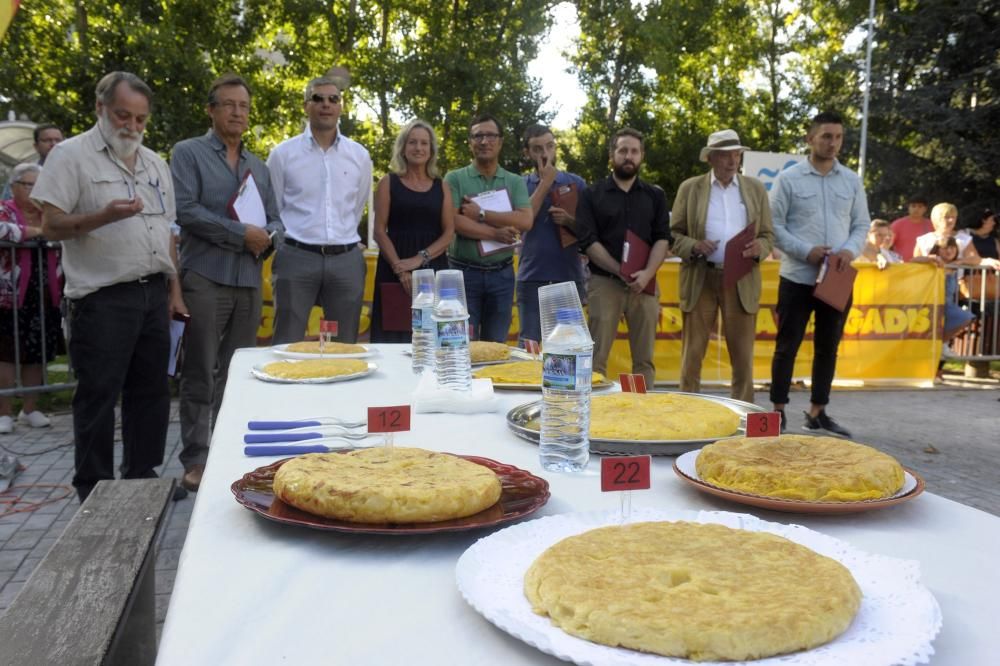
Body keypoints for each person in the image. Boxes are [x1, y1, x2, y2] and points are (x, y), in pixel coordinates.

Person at [31, 71, 186, 502]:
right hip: (102, 299)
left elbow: (168, 232)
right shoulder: (70, 156)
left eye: (140, 119)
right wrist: (103, 216)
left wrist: (174, 292)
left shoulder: (156, 163)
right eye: (123, 116)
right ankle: (94, 490)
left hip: (154, 293)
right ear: (100, 109)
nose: (132, 127)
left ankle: (141, 477)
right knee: (98, 396)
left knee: (152, 391)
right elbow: (50, 225)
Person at [171, 73, 281, 492]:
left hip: (248, 279)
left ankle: (227, 450)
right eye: (229, 104)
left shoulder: (259, 166)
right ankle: (196, 459)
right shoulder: (188, 153)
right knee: (200, 370)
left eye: (244, 106)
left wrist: (269, 236)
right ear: (211, 110)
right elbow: (187, 210)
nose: (238, 112)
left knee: (236, 373)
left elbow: (275, 218)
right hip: (205, 277)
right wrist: (241, 235)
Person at [769, 111, 869, 438]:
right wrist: (804, 250)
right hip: (797, 275)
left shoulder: (852, 181)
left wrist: (848, 251)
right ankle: (777, 411)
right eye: (826, 136)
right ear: (810, 138)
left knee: (829, 346)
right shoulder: (789, 179)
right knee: (787, 345)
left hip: (836, 278)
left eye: (838, 137)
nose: (833, 143)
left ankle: (817, 412)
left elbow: (861, 225)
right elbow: (774, 226)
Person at [669, 129, 774, 404]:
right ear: (711, 158)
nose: (732, 161)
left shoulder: (755, 188)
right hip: (701, 277)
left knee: (742, 358)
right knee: (692, 355)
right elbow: (673, 234)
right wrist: (694, 246)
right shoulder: (690, 188)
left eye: (736, 154)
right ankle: (688, 412)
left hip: (742, 277)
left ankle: (745, 416)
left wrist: (759, 249)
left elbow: (767, 235)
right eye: (726, 155)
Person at [267, 76, 372, 345]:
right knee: (287, 341)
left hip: (345, 260)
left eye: (333, 99)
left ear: (340, 107)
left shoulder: (359, 155)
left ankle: (340, 389)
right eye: (318, 98)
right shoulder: (282, 154)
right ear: (306, 106)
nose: (326, 104)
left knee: (343, 342)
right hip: (296, 256)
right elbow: (273, 208)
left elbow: (357, 206)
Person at [575, 127, 671, 387]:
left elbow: (663, 238)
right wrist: (622, 271)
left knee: (644, 360)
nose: (629, 156)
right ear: (612, 155)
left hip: (645, 285)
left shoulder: (655, 196)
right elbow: (588, 242)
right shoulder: (591, 195)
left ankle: (641, 416)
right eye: (623, 150)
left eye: (634, 151)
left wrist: (647, 274)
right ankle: (595, 414)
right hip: (605, 283)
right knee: (596, 358)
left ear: (641, 156)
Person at [444, 113, 532, 342]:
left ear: (500, 141)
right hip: (462, 275)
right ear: (470, 142)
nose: (484, 141)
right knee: (460, 345)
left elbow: (525, 220)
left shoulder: (514, 181)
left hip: (501, 276)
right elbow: (454, 221)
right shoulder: (454, 179)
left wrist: (481, 214)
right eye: (478, 136)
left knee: (496, 347)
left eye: (491, 135)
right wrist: (495, 232)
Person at [370, 119, 453, 342]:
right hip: (393, 267)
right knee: (393, 336)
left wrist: (419, 259)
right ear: (403, 149)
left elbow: (449, 234)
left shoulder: (441, 185)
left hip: (432, 267)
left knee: (432, 338)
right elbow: (379, 231)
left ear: (431, 150)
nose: (418, 148)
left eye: (424, 143)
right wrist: (400, 269)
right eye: (412, 142)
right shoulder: (389, 182)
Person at [0, 164, 64, 433]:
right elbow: (4, 231)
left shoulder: (47, 213)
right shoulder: (5, 209)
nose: (36, 191)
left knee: (37, 352)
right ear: (14, 186)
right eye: (29, 185)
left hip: (45, 294)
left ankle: (31, 408)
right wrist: (38, 232)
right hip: (9, 296)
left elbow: (63, 232)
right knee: (5, 354)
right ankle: (3, 413)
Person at [516, 124, 588, 344]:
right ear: (527, 153)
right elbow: (520, 225)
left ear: (556, 148)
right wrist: (546, 183)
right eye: (537, 149)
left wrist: (569, 221)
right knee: (530, 347)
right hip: (531, 277)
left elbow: (591, 232)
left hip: (568, 277)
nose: (544, 153)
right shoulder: (519, 184)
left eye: (549, 146)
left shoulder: (576, 183)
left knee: (568, 345)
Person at [913, 203, 1000, 268]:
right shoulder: (923, 240)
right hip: (929, 284)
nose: (951, 220)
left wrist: (960, 261)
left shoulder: (963, 238)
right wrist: (931, 258)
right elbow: (914, 261)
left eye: (953, 217)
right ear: (936, 218)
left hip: (955, 285)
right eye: (947, 217)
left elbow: (975, 258)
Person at [1, 124, 64, 200]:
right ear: (36, 146)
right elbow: (7, 205)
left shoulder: (74, 171)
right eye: (47, 140)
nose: (54, 144)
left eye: (58, 140)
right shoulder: (23, 174)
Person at [890, 195, 932, 261]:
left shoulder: (931, 225)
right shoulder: (897, 225)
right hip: (902, 266)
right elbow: (886, 245)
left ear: (925, 209)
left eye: (920, 206)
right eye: (913, 206)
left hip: (925, 266)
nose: (916, 209)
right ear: (908, 207)